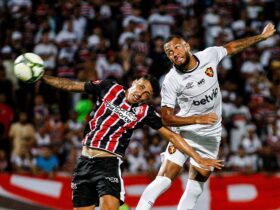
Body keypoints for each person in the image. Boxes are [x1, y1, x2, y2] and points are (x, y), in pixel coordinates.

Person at [136, 23, 276, 210]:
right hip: (185, 131)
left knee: (195, 189)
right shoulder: (171, 80)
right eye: (169, 52)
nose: (174, 53)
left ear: (186, 46)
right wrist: (196, 119)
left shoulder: (208, 55)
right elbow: (166, 118)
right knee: (164, 180)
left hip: (211, 134)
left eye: (176, 47)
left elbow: (232, 47)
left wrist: (261, 37)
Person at [40, 74, 223, 210]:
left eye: (147, 94)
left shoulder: (145, 112)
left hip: (108, 164)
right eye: (141, 87)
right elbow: (72, 85)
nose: (141, 93)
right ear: (134, 81)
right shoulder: (108, 87)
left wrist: (198, 158)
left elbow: (173, 137)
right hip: (84, 163)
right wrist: (43, 77)